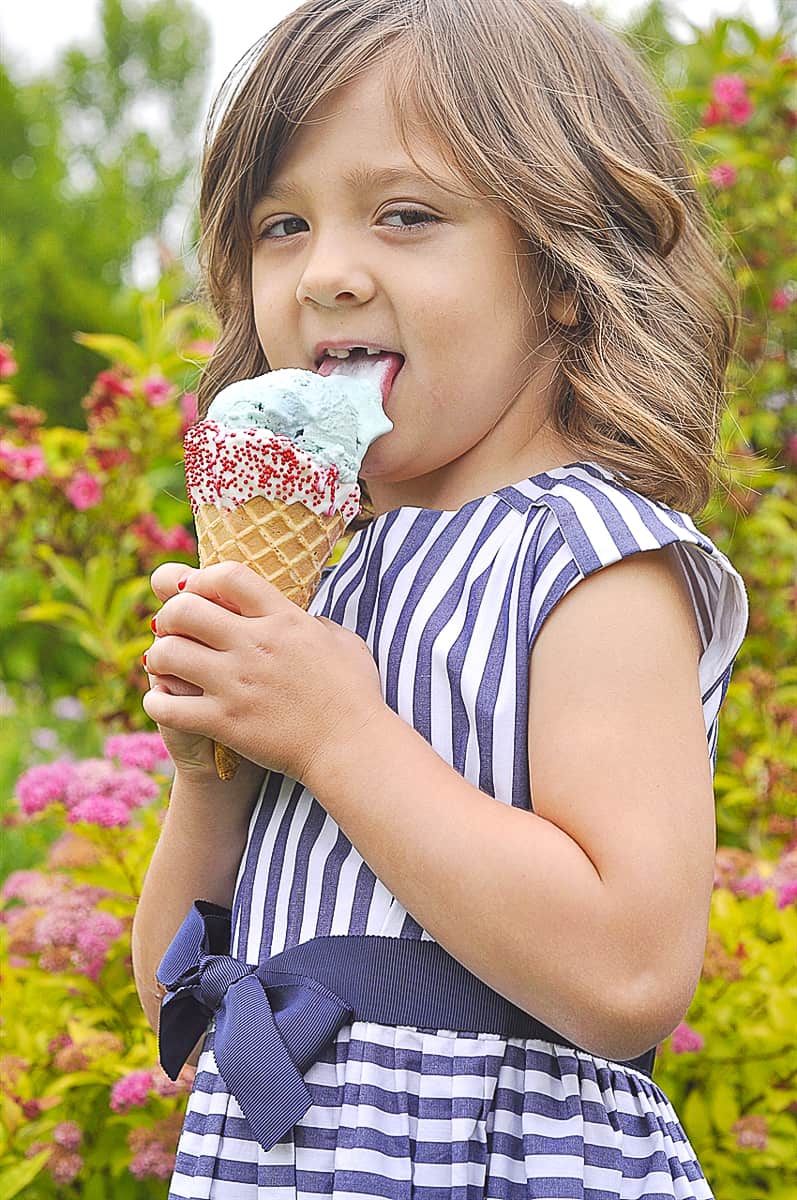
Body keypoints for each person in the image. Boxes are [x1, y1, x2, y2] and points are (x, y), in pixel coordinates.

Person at [131, 1, 750, 1196]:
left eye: (405, 216)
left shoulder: (587, 554)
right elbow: (176, 1000)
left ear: (567, 274)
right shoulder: (320, 573)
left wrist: (337, 733)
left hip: (488, 1158)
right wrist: (209, 774)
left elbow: (625, 977)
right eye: (281, 225)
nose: (326, 273)